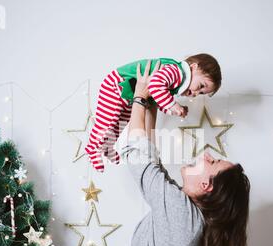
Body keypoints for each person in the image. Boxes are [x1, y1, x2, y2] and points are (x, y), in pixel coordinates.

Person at [121, 60, 250, 246]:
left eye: (213, 162)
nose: (208, 155)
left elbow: (138, 157)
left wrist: (139, 96)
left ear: (206, 186)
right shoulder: (187, 212)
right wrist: (151, 103)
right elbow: (151, 160)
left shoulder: (183, 217)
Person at [85, 53, 222, 172]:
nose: (196, 93)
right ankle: (92, 147)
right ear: (193, 67)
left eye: (201, 93)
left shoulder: (177, 83)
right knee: (107, 121)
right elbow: (154, 86)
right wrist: (173, 105)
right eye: (201, 86)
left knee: (120, 123)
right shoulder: (176, 72)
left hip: (129, 96)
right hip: (116, 85)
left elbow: (156, 98)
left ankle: (107, 146)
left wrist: (171, 110)